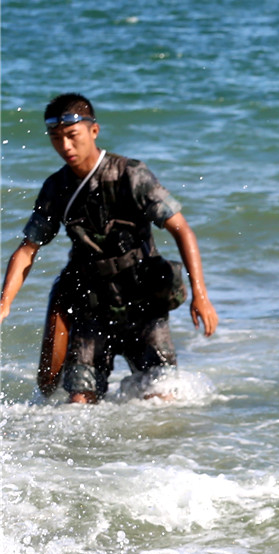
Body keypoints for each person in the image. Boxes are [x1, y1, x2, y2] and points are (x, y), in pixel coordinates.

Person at [1, 94, 218, 403]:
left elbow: (182, 229)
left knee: (161, 401)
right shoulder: (56, 187)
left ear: (94, 131)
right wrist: (4, 302)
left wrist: (201, 295)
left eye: (72, 136)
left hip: (143, 305)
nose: (65, 147)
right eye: (56, 138)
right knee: (78, 405)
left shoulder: (131, 174)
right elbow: (27, 250)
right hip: (92, 306)